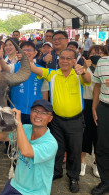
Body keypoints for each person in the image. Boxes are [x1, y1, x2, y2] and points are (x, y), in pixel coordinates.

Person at [30, 48, 91, 193]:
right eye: (62, 58)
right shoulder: (52, 74)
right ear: (58, 60)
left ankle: (74, 177)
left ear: (74, 61)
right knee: (56, 148)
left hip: (75, 121)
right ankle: (57, 172)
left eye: (68, 58)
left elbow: (88, 79)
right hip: (56, 120)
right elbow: (35, 69)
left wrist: (83, 71)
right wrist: (30, 56)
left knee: (74, 150)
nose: (64, 61)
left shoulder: (78, 74)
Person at [0, 99, 58, 195]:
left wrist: (18, 123)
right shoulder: (25, 128)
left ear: (50, 118)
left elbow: (26, 151)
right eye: (35, 111)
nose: (38, 115)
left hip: (35, 192)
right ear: (30, 113)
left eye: (44, 113)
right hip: (15, 184)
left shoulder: (51, 144)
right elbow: (0, 137)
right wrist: (5, 121)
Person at [80, 45, 108, 178]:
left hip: (101, 104)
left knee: (99, 136)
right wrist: (85, 67)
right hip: (87, 101)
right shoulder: (84, 66)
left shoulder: (105, 67)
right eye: (92, 52)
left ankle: (97, 163)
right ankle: (82, 162)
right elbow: (86, 80)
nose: (95, 54)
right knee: (86, 133)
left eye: (99, 52)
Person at [91, 55, 109, 195]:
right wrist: (94, 108)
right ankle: (106, 181)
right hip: (104, 108)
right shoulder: (103, 61)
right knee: (102, 147)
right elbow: (97, 85)